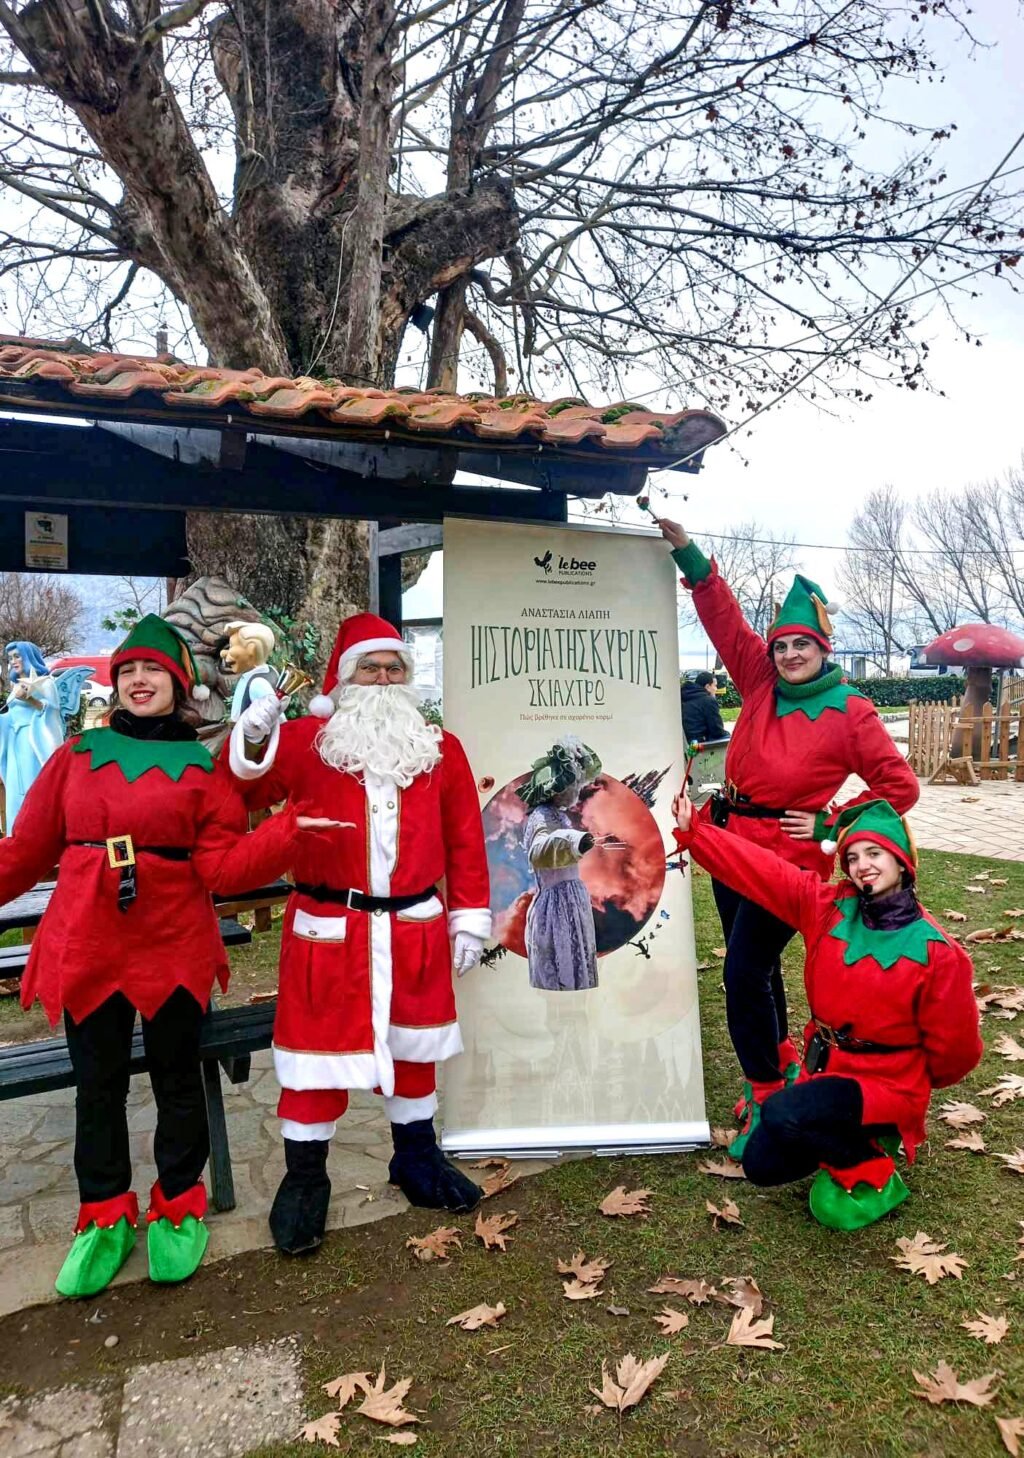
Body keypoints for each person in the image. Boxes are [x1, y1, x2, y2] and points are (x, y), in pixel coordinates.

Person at [0, 614, 335, 1299]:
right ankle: (102, 1215)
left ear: (178, 684)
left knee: (177, 1080)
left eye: (152, 669)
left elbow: (223, 868)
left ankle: (178, 1204)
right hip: (88, 946)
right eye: (127, 670)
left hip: (174, 947)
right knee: (97, 1085)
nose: (138, 679)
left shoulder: (203, 769)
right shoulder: (76, 756)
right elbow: (25, 850)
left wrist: (284, 831)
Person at [228, 612, 492, 1255]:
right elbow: (239, 793)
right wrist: (252, 740)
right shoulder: (306, 741)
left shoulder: (439, 748)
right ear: (345, 678)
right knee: (313, 1059)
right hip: (329, 930)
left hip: (413, 925)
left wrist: (469, 915)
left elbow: (465, 838)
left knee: (414, 1046)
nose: (382, 678)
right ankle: (305, 1178)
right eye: (369, 667)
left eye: (394, 668)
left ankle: (416, 1157)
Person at [657, 518, 919, 1158]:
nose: (790, 655)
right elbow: (725, 622)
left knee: (743, 971)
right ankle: (779, 1059)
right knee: (756, 964)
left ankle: (766, 1092)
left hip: (786, 859)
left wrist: (834, 824)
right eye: (782, 646)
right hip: (729, 841)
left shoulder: (852, 712)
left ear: (823, 650)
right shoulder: (759, 680)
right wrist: (690, 557)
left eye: (802, 645)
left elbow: (899, 785)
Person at [672, 791, 981, 1229]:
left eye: (874, 853)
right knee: (761, 1165)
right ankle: (847, 1131)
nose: (862, 865)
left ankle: (872, 1164)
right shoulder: (828, 908)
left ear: (901, 861)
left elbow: (956, 1053)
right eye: (852, 857)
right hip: (830, 1069)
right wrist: (698, 834)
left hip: (891, 1083)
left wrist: (907, 1082)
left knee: (781, 1112)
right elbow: (765, 872)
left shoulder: (939, 953)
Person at [518, 736, 606, 992]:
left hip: (570, 899)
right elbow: (538, 851)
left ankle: (577, 1007)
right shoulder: (541, 816)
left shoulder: (557, 815)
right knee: (560, 964)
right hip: (555, 904)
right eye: (571, 785)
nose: (574, 791)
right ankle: (561, 1009)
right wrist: (573, 842)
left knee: (577, 959)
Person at [0, 641, 64, 830]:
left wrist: (31, 699)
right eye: (11, 658)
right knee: (14, 788)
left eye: (17, 656)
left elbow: (52, 712)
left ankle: (37, 833)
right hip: (14, 743)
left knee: (31, 784)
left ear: (28, 657)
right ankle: (15, 835)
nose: (13, 661)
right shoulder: (15, 685)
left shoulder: (46, 682)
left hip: (34, 742)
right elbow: (11, 716)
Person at [221, 620, 278, 721]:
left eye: (231, 646)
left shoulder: (258, 684)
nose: (223, 653)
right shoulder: (269, 671)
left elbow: (275, 716)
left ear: (251, 649)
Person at [681, 671, 726, 744]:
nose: (716, 689)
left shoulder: (683, 696)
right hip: (701, 744)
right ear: (707, 687)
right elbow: (717, 731)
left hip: (686, 742)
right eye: (715, 686)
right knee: (730, 738)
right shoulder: (708, 701)